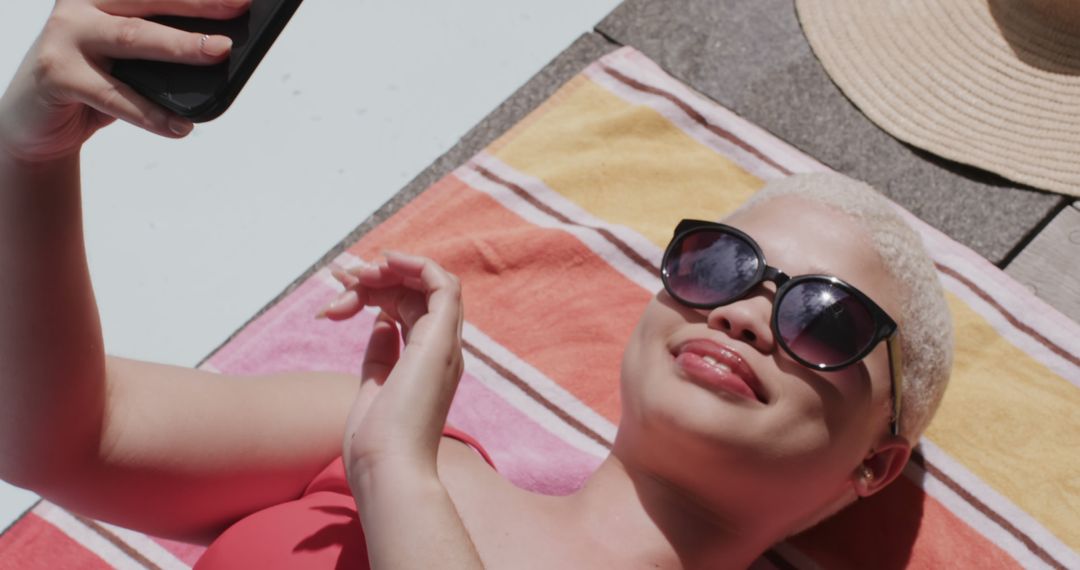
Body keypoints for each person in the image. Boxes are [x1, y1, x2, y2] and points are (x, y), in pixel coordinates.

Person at [0, 1, 953, 568]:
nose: (748, 313)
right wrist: (29, 158)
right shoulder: (400, 431)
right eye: (719, 265)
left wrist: (392, 476)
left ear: (875, 462)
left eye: (824, 319)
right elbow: (63, 437)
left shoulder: (395, 448)